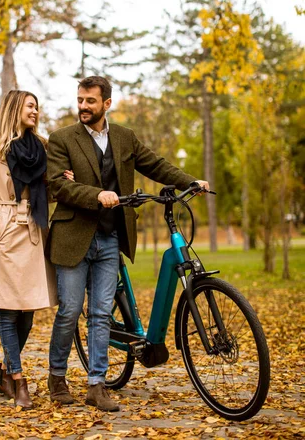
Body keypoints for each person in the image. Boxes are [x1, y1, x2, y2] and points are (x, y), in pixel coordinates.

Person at [46, 76, 209, 411]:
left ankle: (96, 385)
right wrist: (97, 194)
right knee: (70, 311)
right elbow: (56, 186)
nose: (83, 107)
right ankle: (57, 376)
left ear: (107, 103)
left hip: (110, 238)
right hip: (73, 238)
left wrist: (188, 180)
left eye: (90, 101)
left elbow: (155, 164)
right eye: (80, 100)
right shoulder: (61, 139)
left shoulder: (124, 137)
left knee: (102, 314)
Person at [0, 90, 70, 409]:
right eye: (30, 106)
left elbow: (45, 192)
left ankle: (3, 372)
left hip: (34, 231)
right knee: (8, 308)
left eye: (38, 107)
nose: (36, 111)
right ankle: (18, 378)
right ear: (14, 109)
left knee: (27, 310)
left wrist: (61, 181)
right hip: (5, 232)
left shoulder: (41, 147)